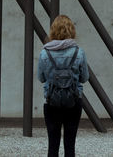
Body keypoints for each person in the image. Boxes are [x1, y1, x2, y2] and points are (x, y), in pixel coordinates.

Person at [38, 15, 89, 157]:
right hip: (73, 101)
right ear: (72, 30)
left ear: (53, 31)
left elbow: (41, 78)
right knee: (70, 145)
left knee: (52, 146)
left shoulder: (44, 53)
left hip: (51, 102)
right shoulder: (79, 52)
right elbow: (84, 78)